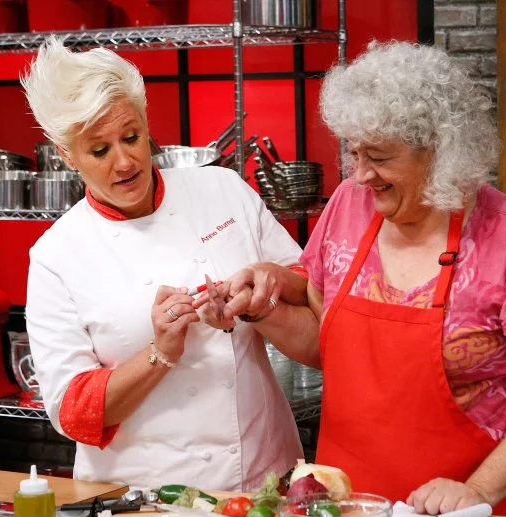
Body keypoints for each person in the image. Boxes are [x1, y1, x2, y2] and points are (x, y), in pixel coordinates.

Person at [252, 41, 506, 517]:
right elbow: (328, 344)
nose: (361, 174)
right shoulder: (348, 204)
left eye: (379, 157)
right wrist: (262, 308)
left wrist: (477, 489)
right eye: (354, 152)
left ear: (440, 148)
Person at [21, 37, 305, 491]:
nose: (125, 161)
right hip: (144, 497)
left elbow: (308, 289)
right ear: (67, 156)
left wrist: (265, 291)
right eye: (99, 151)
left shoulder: (223, 190)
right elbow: (72, 411)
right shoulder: (57, 255)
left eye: (132, 137)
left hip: (263, 477)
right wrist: (160, 353)